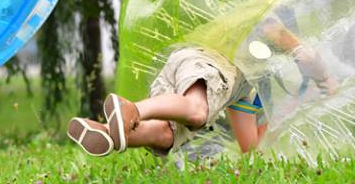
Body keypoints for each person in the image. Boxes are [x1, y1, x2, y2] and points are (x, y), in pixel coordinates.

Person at [67, 21, 337, 159]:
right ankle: (133, 109)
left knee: (166, 135)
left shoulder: (244, 89)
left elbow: (251, 148)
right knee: (197, 112)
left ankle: (106, 133)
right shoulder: (259, 24)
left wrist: (292, 110)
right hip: (206, 64)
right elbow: (303, 52)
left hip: (185, 68)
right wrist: (326, 80)